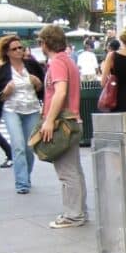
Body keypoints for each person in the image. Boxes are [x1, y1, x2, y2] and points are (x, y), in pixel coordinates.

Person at [37, 24, 87, 228]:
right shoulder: (67, 61)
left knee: (66, 171)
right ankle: (78, 211)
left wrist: (49, 120)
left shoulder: (57, 63)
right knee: (74, 170)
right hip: (73, 120)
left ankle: (73, 215)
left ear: (45, 42)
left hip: (63, 122)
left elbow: (60, 92)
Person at [0, 34, 44, 193]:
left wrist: (38, 85)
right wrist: (5, 92)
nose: (19, 50)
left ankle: (26, 176)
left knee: (29, 147)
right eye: (15, 49)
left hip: (31, 109)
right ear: (7, 52)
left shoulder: (32, 65)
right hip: (11, 110)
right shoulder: (2, 70)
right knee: (18, 145)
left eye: (21, 47)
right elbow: (0, 96)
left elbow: (44, 87)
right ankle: (22, 183)